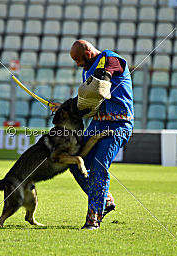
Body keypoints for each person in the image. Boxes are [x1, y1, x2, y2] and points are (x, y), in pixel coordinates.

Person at [50, 40, 134, 229]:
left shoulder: (111, 59)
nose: (77, 64)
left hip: (118, 125)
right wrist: (63, 108)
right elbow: (86, 102)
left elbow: (103, 79)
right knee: (75, 164)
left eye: (78, 60)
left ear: (88, 54)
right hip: (98, 124)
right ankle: (105, 201)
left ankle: (93, 219)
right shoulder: (86, 70)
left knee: (99, 166)